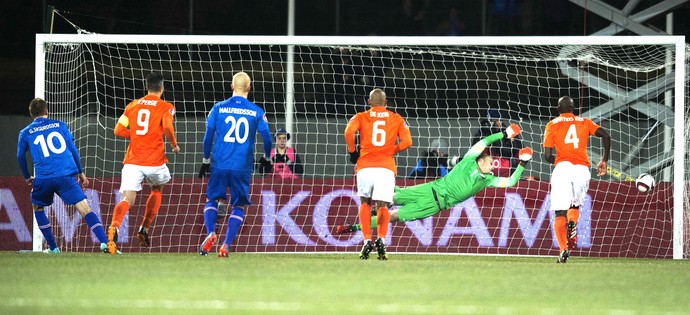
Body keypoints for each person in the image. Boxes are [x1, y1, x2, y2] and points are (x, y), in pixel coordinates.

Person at [336, 124, 531, 235]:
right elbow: (485, 141)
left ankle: (353, 228)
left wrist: (522, 164)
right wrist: (504, 134)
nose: (493, 164)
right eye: (490, 161)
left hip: (434, 205)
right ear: (481, 160)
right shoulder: (469, 160)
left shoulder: (487, 180)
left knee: (394, 216)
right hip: (429, 188)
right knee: (388, 196)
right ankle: (369, 208)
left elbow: (511, 182)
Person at [16, 98, 110, 253]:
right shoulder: (60, 125)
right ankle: (106, 243)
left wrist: (27, 177)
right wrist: (80, 173)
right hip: (65, 176)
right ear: (47, 111)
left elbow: (20, 156)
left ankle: (53, 248)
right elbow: (73, 150)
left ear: (31, 113)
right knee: (84, 208)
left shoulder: (25, 132)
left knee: (38, 208)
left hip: (43, 177)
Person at [198, 71, 272, 258]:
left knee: (212, 199)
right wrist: (266, 157)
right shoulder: (256, 111)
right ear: (249, 87)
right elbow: (267, 138)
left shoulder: (218, 108)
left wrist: (206, 160)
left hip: (220, 164)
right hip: (242, 166)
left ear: (231, 86)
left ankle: (210, 232)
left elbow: (208, 137)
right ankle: (226, 245)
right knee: (238, 206)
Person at [107, 73, 180, 254]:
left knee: (128, 198)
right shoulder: (166, 106)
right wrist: (174, 144)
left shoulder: (132, 105)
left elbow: (118, 130)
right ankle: (144, 227)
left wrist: (135, 135)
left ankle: (114, 227)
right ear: (161, 89)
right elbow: (168, 127)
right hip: (154, 160)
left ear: (146, 87)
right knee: (157, 188)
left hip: (133, 160)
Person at [344, 88, 413, 260]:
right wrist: (392, 150)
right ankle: (381, 239)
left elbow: (348, 132)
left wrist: (353, 151)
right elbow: (408, 142)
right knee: (383, 206)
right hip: (386, 168)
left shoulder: (361, 116)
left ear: (369, 102)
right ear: (386, 102)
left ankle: (367, 240)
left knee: (365, 202)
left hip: (365, 166)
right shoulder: (396, 118)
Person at [543, 96, 610, 263]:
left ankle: (563, 249)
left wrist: (561, 161)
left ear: (558, 109)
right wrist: (604, 160)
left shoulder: (552, 124)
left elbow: (547, 156)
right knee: (574, 205)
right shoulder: (585, 122)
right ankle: (572, 222)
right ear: (573, 109)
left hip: (563, 169)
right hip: (582, 170)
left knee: (559, 211)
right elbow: (606, 135)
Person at [472, 108, 521, 176]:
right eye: (493, 121)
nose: (498, 122)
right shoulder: (481, 134)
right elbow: (474, 153)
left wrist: (497, 134)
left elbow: (507, 152)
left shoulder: (508, 133)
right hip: (485, 168)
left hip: (505, 168)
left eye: (499, 120)